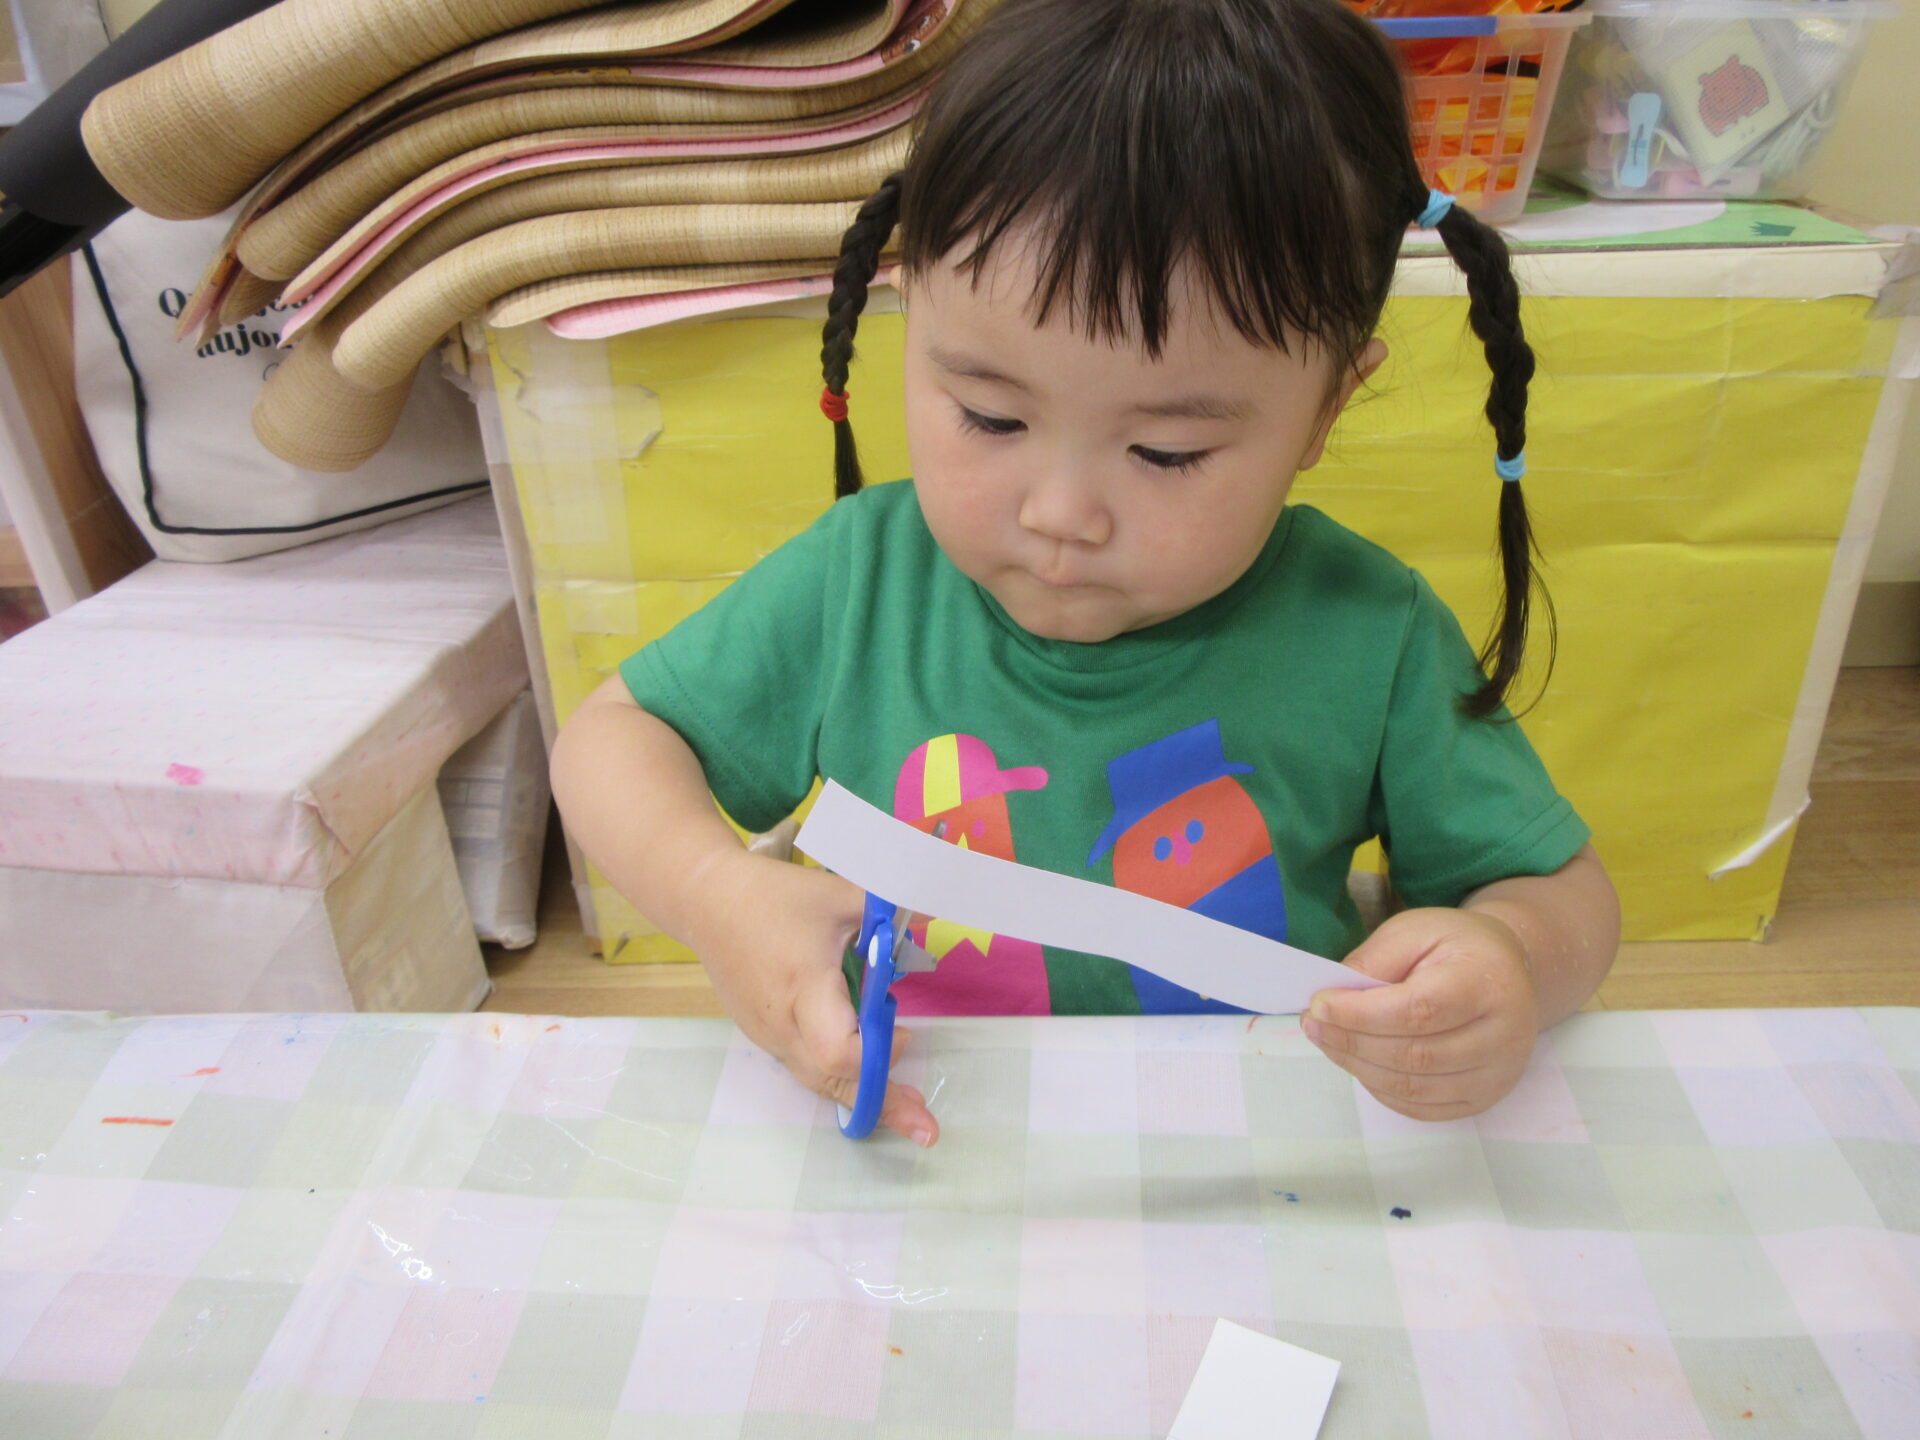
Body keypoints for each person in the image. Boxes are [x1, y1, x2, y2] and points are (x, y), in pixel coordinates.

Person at [550, 0, 1620, 1147]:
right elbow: (612, 740)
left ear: (1326, 407)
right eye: (990, 416)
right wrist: (718, 895)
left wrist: (1509, 962)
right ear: (913, 316)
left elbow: (1562, 897)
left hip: (1248, 1153)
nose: (1060, 515)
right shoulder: (863, 581)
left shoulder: (1369, 632)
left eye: (1166, 451)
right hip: (915, 1136)